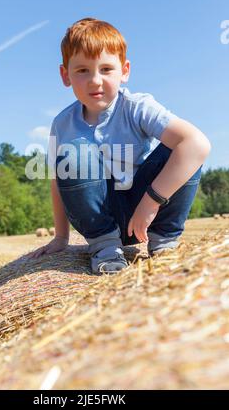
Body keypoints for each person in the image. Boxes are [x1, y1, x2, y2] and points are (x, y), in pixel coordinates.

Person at [29, 17, 211, 275]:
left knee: (182, 148)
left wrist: (150, 203)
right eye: (82, 70)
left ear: (124, 71)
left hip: (146, 209)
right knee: (74, 154)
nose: (95, 80)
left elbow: (198, 144)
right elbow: (57, 180)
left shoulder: (137, 106)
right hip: (100, 216)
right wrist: (61, 237)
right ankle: (104, 247)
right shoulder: (62, 124)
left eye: (106, 69)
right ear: (65, 75)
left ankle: (163, 241)